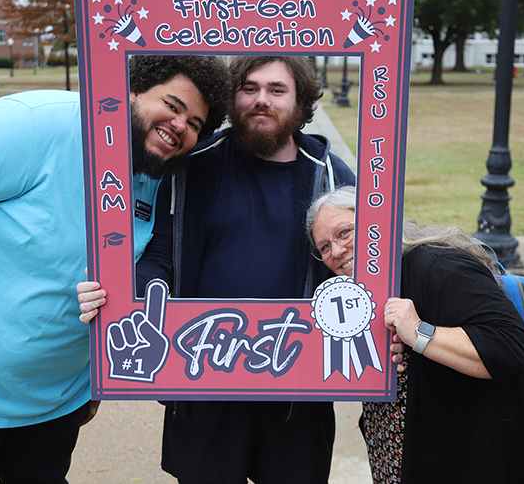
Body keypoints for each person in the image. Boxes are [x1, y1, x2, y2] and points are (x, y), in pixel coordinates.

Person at [0, 55, 231, 483]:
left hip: (54, 405)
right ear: (131, 91)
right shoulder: (38, 123)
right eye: (172, 105)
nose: (179, 126)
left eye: (194, 123)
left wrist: (96, 374)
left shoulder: (155, 171)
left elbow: (113, 281)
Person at [79, 55, 355, 484]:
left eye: (277, 90)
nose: (261, 100)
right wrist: (126, 299)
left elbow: (364, 268)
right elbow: (159, 253)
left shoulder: (332, 177)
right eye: (249, 87)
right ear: (232, 98)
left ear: (300, 105)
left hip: (297, 389)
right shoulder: (192, 164)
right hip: (204, 374)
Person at [306, 186, 524, 483]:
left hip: (479, 462)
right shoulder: (366, 295)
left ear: (378, 225)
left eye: (345, 233)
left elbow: (511, 346)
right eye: (324, 247)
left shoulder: (436, 265)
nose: (336, 251)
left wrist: (419, 334)